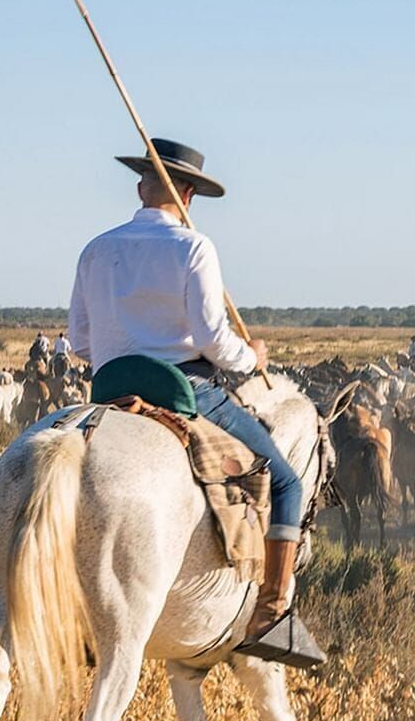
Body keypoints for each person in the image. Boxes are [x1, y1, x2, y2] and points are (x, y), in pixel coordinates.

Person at [66, 138, 307, 659]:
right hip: (184, 389)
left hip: (108, 389)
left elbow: (82, 344)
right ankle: (271, 613)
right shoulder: (194, 248)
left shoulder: (96, 248)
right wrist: (254, 358)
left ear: (140, 186)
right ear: (190, 195)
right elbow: (213, 341)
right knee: (284, 478)